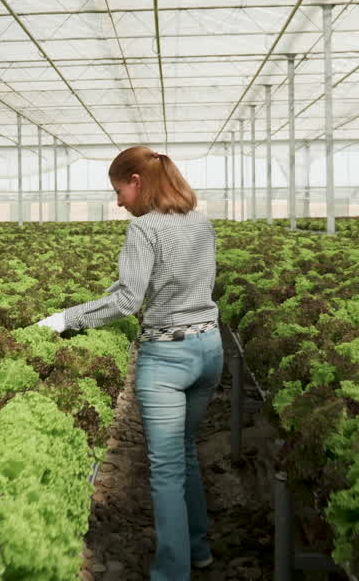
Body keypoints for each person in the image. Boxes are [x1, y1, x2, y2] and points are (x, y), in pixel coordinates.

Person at [36, 146, 220, 579]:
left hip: (167, 357)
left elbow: (126, 300)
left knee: (166, 469)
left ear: (136, 182)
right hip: (210, 350)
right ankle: (199, 550)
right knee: (186, 452)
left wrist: (66, 319)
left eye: (119, 190)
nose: (119, 202)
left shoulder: (145, 230)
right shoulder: (202, 222)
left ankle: (172, 574)